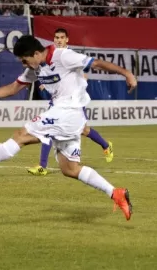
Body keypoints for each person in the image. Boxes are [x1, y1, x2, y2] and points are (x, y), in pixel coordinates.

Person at [0, 35, 137, 221]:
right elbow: (14, 87)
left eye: (25, 60)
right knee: (69, 169)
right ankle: (116, 193)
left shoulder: (63, 56)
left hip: (68, 111)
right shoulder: (35, 67)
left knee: (22, 134)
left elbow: (96, 63)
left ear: (37, 53)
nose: (24, 65)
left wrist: (127, 74)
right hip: (67, 117)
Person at [28, 28, 113, 176]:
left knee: (83, 130)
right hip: (58, 100)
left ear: (67, 39)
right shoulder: (51, 56)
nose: (59, 40)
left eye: (61, 37)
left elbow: (85, 70)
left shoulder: (69, 55)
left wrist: (81, 81)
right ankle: (42, 166)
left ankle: (106, 145)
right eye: (56, 37)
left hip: (74, 101)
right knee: (50, 130)